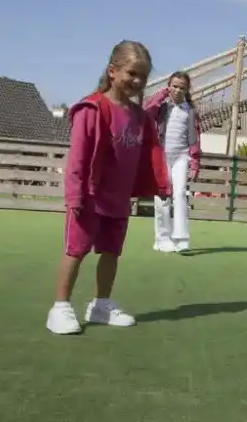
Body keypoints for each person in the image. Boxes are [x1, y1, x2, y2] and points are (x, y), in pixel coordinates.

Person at [46, 40, 171, 335]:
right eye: (132, 73)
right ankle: (60, 307)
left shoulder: (140, 117)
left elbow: (150, 155)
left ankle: (101, 305)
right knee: (76, 251)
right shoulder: (91, 109)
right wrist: (75, 196)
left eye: (143, 76)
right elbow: (78, 158)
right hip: (89, 197)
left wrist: (160, 184)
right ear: (112, 71)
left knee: (112, 252)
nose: (137, 81)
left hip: (118, 199)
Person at [144, 71, 202, 253]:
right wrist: (163, 93)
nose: (177, 90)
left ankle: (181, 238)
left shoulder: (190, 111)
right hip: (162, 157)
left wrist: (195, 163)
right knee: (162, 197)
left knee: (180, 194)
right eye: (174, 86)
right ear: (168, 86)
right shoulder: (161, 108)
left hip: (181, 157)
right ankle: (162, 239)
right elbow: (146, 110)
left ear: (187, 90)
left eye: (182, 88)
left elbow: (194, 139)